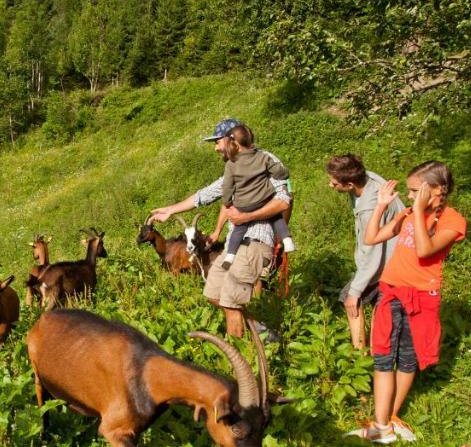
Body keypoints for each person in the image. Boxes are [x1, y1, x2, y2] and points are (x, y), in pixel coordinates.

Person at [347, 161, 467, 443]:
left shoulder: (452, 221)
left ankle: (388, 420)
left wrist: (415, 214)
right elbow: (372, 237)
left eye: (415, 191)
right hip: (391, 291)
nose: (410, 197)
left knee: (408, 360)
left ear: (436, 190)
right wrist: (381, 205)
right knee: (383, 357)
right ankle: (381, 425)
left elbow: (425, 251)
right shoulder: (409, 213)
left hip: (422, 297)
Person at [149, 118, 292, 339]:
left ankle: (241, 357)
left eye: (217, 142)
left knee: (231, 300)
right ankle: (263, 333)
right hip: (234, 242)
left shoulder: (264, 160)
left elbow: (283, 201)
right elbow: (207, 193)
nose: (216, 147)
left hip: (255, 239)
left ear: (231, 139)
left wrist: (250, 218)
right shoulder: (233, 166)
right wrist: (171, 210)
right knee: (214, 293)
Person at [325, 154, 404, 352]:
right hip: (394, 256)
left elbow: (373, 253)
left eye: (334, 184)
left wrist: (355, 291)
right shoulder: (367, 179)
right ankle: (374, 350)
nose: (330, 186)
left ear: (350, 184)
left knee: (350, 298)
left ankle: (360, 354)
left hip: (388, 261)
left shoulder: (370, 209)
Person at [207, 121, 296, 268]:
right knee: (277, 218)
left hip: (243, 206)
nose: (216, 148)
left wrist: (228, 202)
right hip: (264, 200)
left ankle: (230, 255)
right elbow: (280, 173)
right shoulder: (263, 157)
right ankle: (287, 240)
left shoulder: (231, 164)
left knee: (238, 228)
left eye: (218, 142)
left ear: (234, 144)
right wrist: (284, 172)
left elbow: (227, 187)